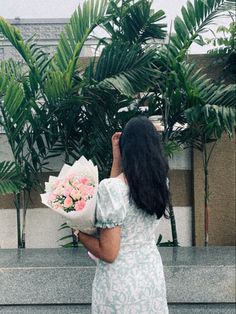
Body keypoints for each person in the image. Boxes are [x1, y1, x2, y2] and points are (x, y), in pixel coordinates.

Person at [76, 116, 170, 313]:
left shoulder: (113, 188)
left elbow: (108, 253)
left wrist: (78, 232)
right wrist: (117, 161)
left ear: (126, 148)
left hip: (120, 283)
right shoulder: (160, 183)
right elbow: (117, 202)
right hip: (149, 277)